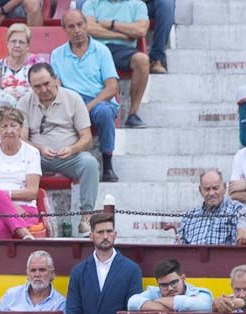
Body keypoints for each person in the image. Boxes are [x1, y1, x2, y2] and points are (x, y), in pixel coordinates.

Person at [20, 63, 100, 233]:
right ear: (31, 87)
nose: (43, 89)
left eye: (46, 83)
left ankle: (86, 217)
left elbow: (87, 137)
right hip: (36, 157)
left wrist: (72, 149)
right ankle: (22, 217)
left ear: (55, 79)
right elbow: (22, 139)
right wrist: (39, 149)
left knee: (90, 163)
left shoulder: (73, 98)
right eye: (37, 86)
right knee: (16, 163)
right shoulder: (25, 102)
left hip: (68, 156)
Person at [52, 10, 123, 179]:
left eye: (80, 24)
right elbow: (57, 87)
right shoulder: (57, 54)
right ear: (64, 29)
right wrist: (72, 106)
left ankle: (107, 164)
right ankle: (59, 162)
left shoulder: (101, 50)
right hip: (71, 102)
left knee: (104, 112)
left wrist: (88, 106)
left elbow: (111, 88)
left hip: (98, 101)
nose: (77, 30)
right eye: (71, 26)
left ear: (86, 24)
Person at [65, 212, 144, 314]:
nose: (105, 236)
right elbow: (72, 313)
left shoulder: (132, 270)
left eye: (109, 231)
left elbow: (132, 312)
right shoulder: (78, 272)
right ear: (91, 236)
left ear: (115, 234)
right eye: (100, 232)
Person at [79, 0, 151, 129]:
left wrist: (112, 24)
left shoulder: (137, 4)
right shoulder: (91, 3)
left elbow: (140, 30)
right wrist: (122, 35)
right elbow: (89, 28)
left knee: (142, 60)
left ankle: (133, 114)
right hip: (95, 49)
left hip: (123, 50)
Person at [0, 106, 41, 241]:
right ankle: (25, 235)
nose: (9, 130)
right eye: (4, 126)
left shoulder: (32, 153)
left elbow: (32, 192)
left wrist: (5, 196)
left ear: (21, 128)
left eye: (13, 125)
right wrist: (12, 206)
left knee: (1, 223)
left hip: (26, 211)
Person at [126, 258, 214, 312]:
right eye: (164, 285)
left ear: (183, 278)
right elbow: (132, 302)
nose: (170, 288)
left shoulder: (200, 293)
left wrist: (158, 300)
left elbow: (205, 306)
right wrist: (170, 308)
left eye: (174, 282)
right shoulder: (154, 292)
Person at [179, 169, 240, 245]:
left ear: (224, 188)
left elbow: (237, 246)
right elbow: (179, 247)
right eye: (207, 189)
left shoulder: (235, 212)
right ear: (200, 190)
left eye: (215, 188)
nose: (211, 193)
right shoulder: (189, 217)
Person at [0, 250, 66, 313]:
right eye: (33, 270)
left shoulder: (60, 304)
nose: (37, 274)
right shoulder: (11, 296)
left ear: (52, 274)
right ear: (27, 274)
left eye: (42, 270)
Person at [0, 23, 39, 101]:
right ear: (8, 44)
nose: (17, 45)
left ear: (28, 45)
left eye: (21, 42)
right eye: (13, 41)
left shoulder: (38, 64)